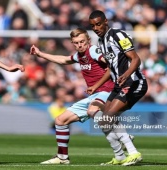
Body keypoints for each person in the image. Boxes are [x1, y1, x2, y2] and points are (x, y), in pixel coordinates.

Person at [30, 27, 134, 165]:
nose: (79, 45)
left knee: (94, 111)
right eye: (76, 42)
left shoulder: (93, 50)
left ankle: (121, 137)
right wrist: (40, 54)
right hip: (94, 94)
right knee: (60, 120)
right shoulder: (80, 55)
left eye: (82, 42)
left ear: (88, 41)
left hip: (106, 91)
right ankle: (62, 157)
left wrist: (97, 85)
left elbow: (111, 65)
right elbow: (63, 60)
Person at [89, 10, 148, 165]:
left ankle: (134, 153)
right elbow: (110, 68)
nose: (95, 28)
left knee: (108, 117)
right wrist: (96, 85)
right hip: (119, 84)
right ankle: (120, 156)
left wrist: (127, 74)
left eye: (98, 24)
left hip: (134, 82)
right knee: (103, 121)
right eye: (93, 26)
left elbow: (136, 59)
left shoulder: (118, 35)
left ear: (106, 21)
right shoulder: (101, 42)